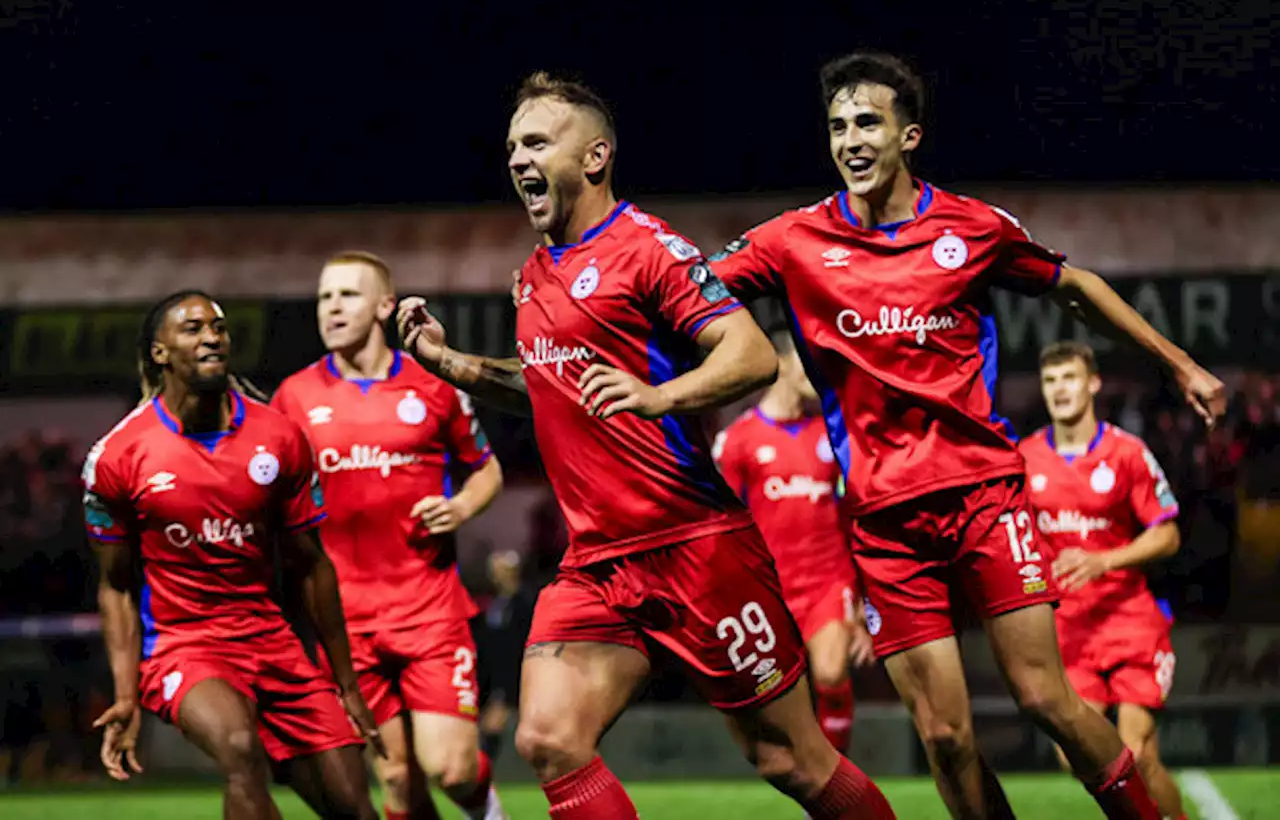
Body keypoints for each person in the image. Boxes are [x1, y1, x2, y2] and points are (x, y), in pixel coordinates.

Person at [706, 51, 1225, 820]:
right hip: (884, 520)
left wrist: (1177, 363)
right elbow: (687, 288)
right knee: (945, 735)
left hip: (985, 495)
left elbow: (1076, 287)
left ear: (908, 135)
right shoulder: (792, 241)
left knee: (1046, 698)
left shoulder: (972, 227)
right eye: (838, 125)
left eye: (868, 123)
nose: (851, 139)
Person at [398, 72, 896, 820]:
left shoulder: (648, 248)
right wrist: (453, 364)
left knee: (789, 758)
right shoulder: (534, 276)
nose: (516, 159)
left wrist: (659, 393)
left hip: (697, 547)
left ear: (595, 156)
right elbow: (547, 386)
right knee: (547, 736)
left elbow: (752, 355)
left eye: (536, 141)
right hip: (596, 562)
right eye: (510, 146)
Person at [85, 290, 382, 820]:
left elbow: (311, 565)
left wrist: (348, 687)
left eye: (218, 328)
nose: (211, 337)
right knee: (241, 752)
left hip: (273, 643)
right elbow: (117, 586)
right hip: (183, 646)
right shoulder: (118, 456)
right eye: (193, 328)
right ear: (159, 352)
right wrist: (126, 694)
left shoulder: (279, 436)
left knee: (355, 808)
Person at [273, 252, 508, 820]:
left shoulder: (431, 383)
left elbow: (488, 469)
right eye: (325, 297)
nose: (332, 307)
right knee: (396, 779)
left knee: (449, 769)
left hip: (429, 613)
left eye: (348, 295)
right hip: (344, 622)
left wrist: (458, 507)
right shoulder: (294, 397)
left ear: (383, 306)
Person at [1020, 341, 1186, 820]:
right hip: (1067, 631)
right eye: (1051, 381)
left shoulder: (1127, 453)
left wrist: (1103, 561)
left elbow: (1169, 534)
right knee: (1080, 758)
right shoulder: (1024, 458)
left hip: (1130, 622)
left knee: (1137, 754)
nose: (1060, 390)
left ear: (1092, 383)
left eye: (1069, 378)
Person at [712, 327, 875, 755]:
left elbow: (851, 519)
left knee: (831, 672)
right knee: (781, 701)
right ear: (782, 363)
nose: (817, 371)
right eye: (807, 360)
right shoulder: (739, 441)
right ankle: (813, 779)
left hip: (828, 581)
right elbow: (721, 527)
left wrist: (861, 601)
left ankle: (841, 784)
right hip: (771, 591)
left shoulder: (832, 436)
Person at [474, 550, 537, 764]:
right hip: (496, 677)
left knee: (496, 724)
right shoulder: (495, 604)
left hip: (519, 675)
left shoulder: (525, 604)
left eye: (499, 571)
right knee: (491, 725)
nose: (494, 576)